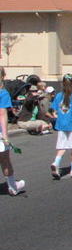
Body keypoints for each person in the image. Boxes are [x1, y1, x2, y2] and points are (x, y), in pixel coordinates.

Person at [50, 73, 72, 179]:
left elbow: (54, 110)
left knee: (62, 146)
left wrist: (57, 115)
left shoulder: (58, 96)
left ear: (62, 84)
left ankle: (56, 162)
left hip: (61, 125)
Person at [0, 67, 26, 196]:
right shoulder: (2, 93)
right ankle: (12, 186)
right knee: (5, 160)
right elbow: (2, 114)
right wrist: (5, 135)